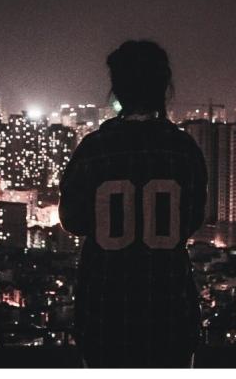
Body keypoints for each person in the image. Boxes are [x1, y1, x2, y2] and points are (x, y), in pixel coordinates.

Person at [58, 40, 208, 368]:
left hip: (104, 307)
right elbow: (194, 218)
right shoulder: (183, 150)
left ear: (116, 90)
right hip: (168, 305)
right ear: (163, 87)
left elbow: (72, 220)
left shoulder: (94, 149)